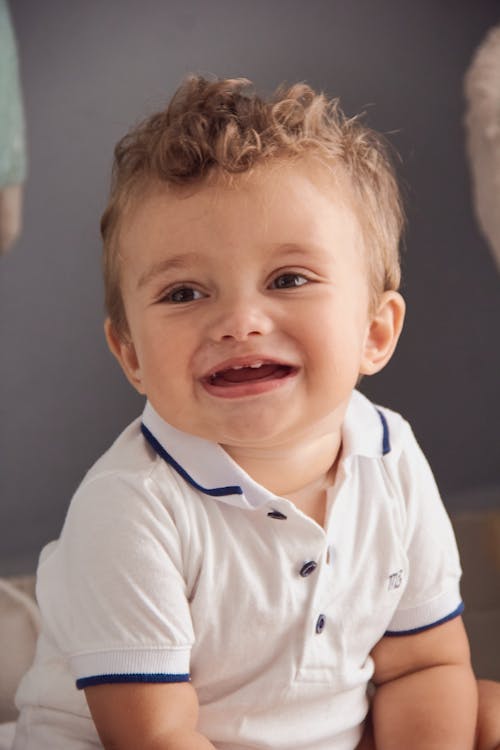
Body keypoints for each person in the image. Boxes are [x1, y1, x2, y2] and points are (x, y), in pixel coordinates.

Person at [14, 76, 500, 750]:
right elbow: (155, 736)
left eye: (289, 279)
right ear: (131, 355)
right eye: (185, 292)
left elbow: (423, 661)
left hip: (323, 726)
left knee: (483, 707)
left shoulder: (389, 455)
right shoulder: (132, 506)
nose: (239, 322)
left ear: (375, 332)